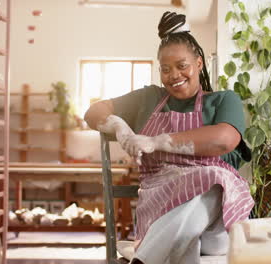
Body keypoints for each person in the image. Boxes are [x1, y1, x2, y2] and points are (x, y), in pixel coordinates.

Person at [84, 11, 254, 264]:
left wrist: (156, 141)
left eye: (182, 66)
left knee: (215, 179)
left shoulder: (222, 100)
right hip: (161, 210)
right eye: (165, 69)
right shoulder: (149, 99)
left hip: (220, 224)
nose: (174, 75)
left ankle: (142, 258)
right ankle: (148, 255)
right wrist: (119, 126)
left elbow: (224, 140)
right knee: (186, 248)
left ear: (199, 63)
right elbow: (93, 112)